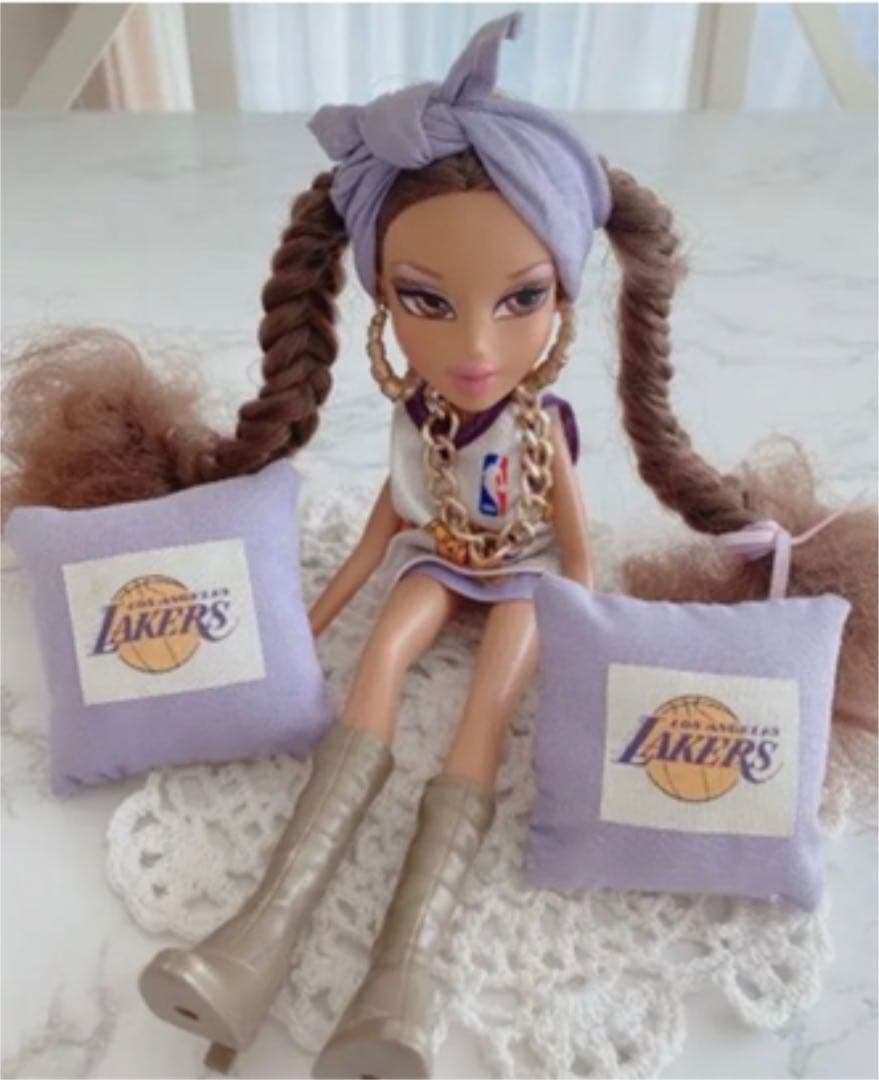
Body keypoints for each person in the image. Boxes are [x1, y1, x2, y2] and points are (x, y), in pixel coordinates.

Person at [2, 10, 874, 1079]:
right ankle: (259, 933)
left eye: (521, 300)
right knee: (378, 657)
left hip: (524, 578)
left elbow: (572, 551)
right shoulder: (419, 421)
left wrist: (588, 631)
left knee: (484, 711)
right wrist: (316, 614)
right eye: (425, 300)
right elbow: (385, 525)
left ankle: (400, 976)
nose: (473, 346)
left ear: (562, 298)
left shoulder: (542, 428)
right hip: (436, 556)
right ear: (380, 304)